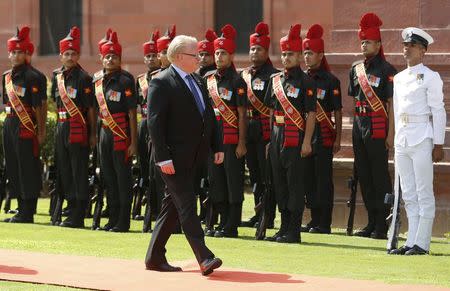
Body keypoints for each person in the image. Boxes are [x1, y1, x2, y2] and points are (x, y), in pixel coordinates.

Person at [144, 35, 223, 276]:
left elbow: (209, 116)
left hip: (194, 155)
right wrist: (162, 157)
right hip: (172, 158)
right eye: (194, 54)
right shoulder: (161, 82)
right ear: (179, 57)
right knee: (187, 204)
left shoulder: (198, 81)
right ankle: (204, 257)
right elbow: (155, 124)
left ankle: (154, 257)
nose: (199, 58)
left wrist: (217, 146)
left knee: (173, 206)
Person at [389, 28, 446, 255]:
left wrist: (438, 143)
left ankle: (422, 243)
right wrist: (394, 139)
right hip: (402, 137)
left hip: (422, 136)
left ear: (423, 51)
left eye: (412, 45)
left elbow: (438, 111)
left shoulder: (431, 76)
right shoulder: (400, 78)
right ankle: (411, 241)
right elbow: (395, 109)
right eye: (405, 45)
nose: (407, 48)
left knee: (424, 192)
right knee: (408, 192)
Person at [264, 24, 317, 243]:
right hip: (277, 136)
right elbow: (270, 110)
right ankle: (283, 226)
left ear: (298, 56)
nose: (286, 58)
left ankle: (294, 230)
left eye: (290, 54)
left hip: (296, 137)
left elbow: (311, 114)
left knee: (295, 184)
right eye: (284, 54)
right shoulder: (275, 81)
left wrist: (307, 142)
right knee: (280, 184)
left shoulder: (306, 81)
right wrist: (269, 139)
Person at [349, 13, 397, 239]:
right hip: (359, 126)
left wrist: (391, 134)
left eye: (368, 41)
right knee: (364, 176)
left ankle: (382, 223)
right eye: (362, 41)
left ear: (378, 44)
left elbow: (391, 104)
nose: (364, 45)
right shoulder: (355, 69)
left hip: (378, 127)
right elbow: (353, 102)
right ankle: (370, 222)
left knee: (379, 176)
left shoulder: (388, 71)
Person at [50, 26, 96, 228]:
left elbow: (91, 110)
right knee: (65, 170)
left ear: (78, 55)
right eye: (66, 53)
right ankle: (68, 209)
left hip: (78, 128)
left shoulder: (84, 78)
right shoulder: (57, 77)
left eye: (73, 53)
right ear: (60, 56)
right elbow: (54, 102)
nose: (69, 56)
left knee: (78, 171)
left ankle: (78, 214)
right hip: (61, 127)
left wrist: (93, 134)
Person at [205, 24, 248, 238]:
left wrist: (242, 142)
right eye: (217, 53)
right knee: (217, 182)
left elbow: (241, 114)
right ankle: (221, 222)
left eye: (223, 53)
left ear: (231, 56)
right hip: (215, 140)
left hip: (232, 141)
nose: (219, 56)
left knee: (233, 182)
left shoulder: (237, 81)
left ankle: (232, 225)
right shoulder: (209, 80)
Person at [94, 31, 138, 232]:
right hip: (105, 133)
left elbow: (131, 114)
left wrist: (134, 142)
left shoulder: (126, 80)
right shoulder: (98, 81)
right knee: (108, 177)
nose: (110, 59)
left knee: (122, 178)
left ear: (120, 59)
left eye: (114, 57)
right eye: (107, 56)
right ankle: (112, 218)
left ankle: (123, 221)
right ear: (101, 58)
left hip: (121, 135)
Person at [302, 24, 342, 234]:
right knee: (308, 179)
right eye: (305, 53)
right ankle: (313, 219)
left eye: (310, 53)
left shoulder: (331, 81)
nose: (306, 57)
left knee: (323, 180)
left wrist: (338, 139)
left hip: (324, 135)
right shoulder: (302, 79)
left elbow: (337, 112)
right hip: (306, 135)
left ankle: (324, 223)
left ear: (320, 55)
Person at [2, 26, 45, 223]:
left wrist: (42, 131)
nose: (16, 55)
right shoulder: (7, 77)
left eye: (20, 51)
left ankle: (28, 210)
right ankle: (20, 206)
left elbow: (39, 107)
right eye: (13, 52)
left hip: (25, 126)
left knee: (27, 167)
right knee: (13, 166)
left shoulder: (34, 77)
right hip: (10, 124)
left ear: (26, 53)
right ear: (9, 53)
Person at [240, 22, 279, 229]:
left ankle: (268, 216)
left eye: (259, 49)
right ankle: (257, 211)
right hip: (249, 129)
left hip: (265, 129)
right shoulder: (243, 75)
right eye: (252, 48)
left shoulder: (274, 76)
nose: (255, 52)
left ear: (266, 51)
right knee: (254, 173)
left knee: (266, 175)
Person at [135, 30, 161, 222]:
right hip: (143, 124)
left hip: (156, 124)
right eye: (148, 56)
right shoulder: (141, 80)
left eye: (154, 55)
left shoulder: (164, 77)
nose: (151, 59)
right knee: (145, 168)